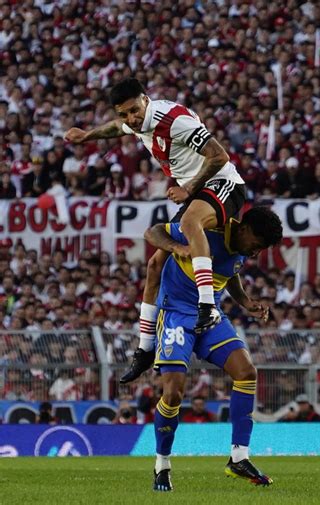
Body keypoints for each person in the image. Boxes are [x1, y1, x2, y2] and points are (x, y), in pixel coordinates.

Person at [64, 78, 246, 351]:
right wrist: (86, 135)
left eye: (134, 110)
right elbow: (118, 127)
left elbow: (219, 156)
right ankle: (145, 347)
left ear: (145, 99)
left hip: (222, 183)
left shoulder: (174, 121)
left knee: (190, 221)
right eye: (124, 113)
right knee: (154, 265)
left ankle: (207, 306)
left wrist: (188, 187)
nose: (131, 118)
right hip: (196, 191)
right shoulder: (136, 120)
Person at [142, 207, 282, 491]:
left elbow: (230, 271)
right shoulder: (204, 228)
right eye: (255, 246)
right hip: (175, 314)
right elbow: (153, 231)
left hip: (211, 315)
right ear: (243, 229)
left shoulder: (241, 248)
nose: (254, 254)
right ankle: (162, 464)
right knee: (173, 393)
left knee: (246, 372)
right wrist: (176, 247)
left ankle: (239, 457)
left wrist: (245, 301)